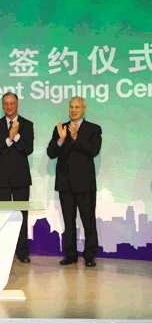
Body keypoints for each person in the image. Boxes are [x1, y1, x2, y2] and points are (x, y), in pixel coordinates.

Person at [47, 96, 102, 268]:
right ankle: (70, 255)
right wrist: (61, 139)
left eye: (77, 107)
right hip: (65, 184)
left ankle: (90, 255)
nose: (73, 110)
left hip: (85, 184)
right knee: (68, 222)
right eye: (71, 107)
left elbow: (94, 150)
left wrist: (76, 137)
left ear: (83, 109)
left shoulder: (93, 129)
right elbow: (51, 153)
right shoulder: (60, 128)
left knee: (88, 221)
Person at [0, 92, 34, 263]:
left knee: (22, 216)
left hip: (21, 178)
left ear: (17, 104)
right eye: (6, 103)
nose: (9, 106)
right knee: (3, 216)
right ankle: (4, 251)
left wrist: (16, 135)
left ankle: (22, 251)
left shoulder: (27, 124)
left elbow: (28, 149)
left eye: (12, 103)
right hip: (1, 178)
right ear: (3, 106)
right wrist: (9, 138)